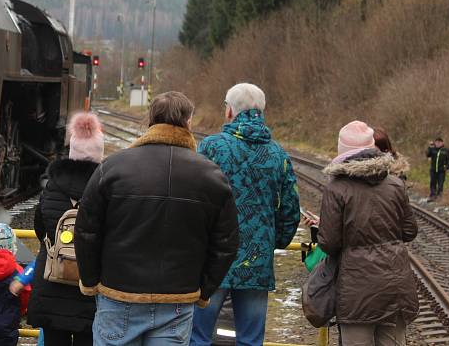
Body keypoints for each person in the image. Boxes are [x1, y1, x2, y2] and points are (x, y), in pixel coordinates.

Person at [75, 91, 240, 346]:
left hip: (118, 294)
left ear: (150, 120)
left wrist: (91, 281)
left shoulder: (112, 167)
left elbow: (87, 231)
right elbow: (226, 243)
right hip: (177, 298)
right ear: (189, 122)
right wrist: (202, 289)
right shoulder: (211, 176)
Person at [190, 83, 300, 346]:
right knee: (251, 340)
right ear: (262, 111)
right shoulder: (278, 154)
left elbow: (195, 198)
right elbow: (290, 210)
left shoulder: (212, 148)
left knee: (198, 337)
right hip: (257, 260)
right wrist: (274, 241)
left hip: (213, 258)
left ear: (229, 111)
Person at [318, 121, 418, 345]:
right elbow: (410, 231)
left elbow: (329, 242)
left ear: (341, 151)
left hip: (356, 288)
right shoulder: (395, 184)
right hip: (395, 283)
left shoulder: (336, 188)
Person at [27, 112, 104, 346]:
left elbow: (40, 228)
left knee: (53, 340)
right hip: (89, 286)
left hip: (52, 279)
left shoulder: (52, 187)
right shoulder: (105, 188)